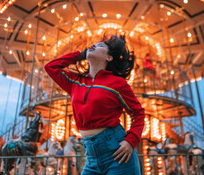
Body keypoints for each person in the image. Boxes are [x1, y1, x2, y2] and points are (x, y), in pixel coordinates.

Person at [45, 35, 145, 174]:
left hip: (117, 152)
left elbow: (138, 113)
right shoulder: (75, 82)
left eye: (100, 46)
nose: (93, 46)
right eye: (92, 45)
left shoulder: (117, 83)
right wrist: (80, 55)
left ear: (109, 58)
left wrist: (131, 140)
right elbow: (51, 67)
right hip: (91, 157)